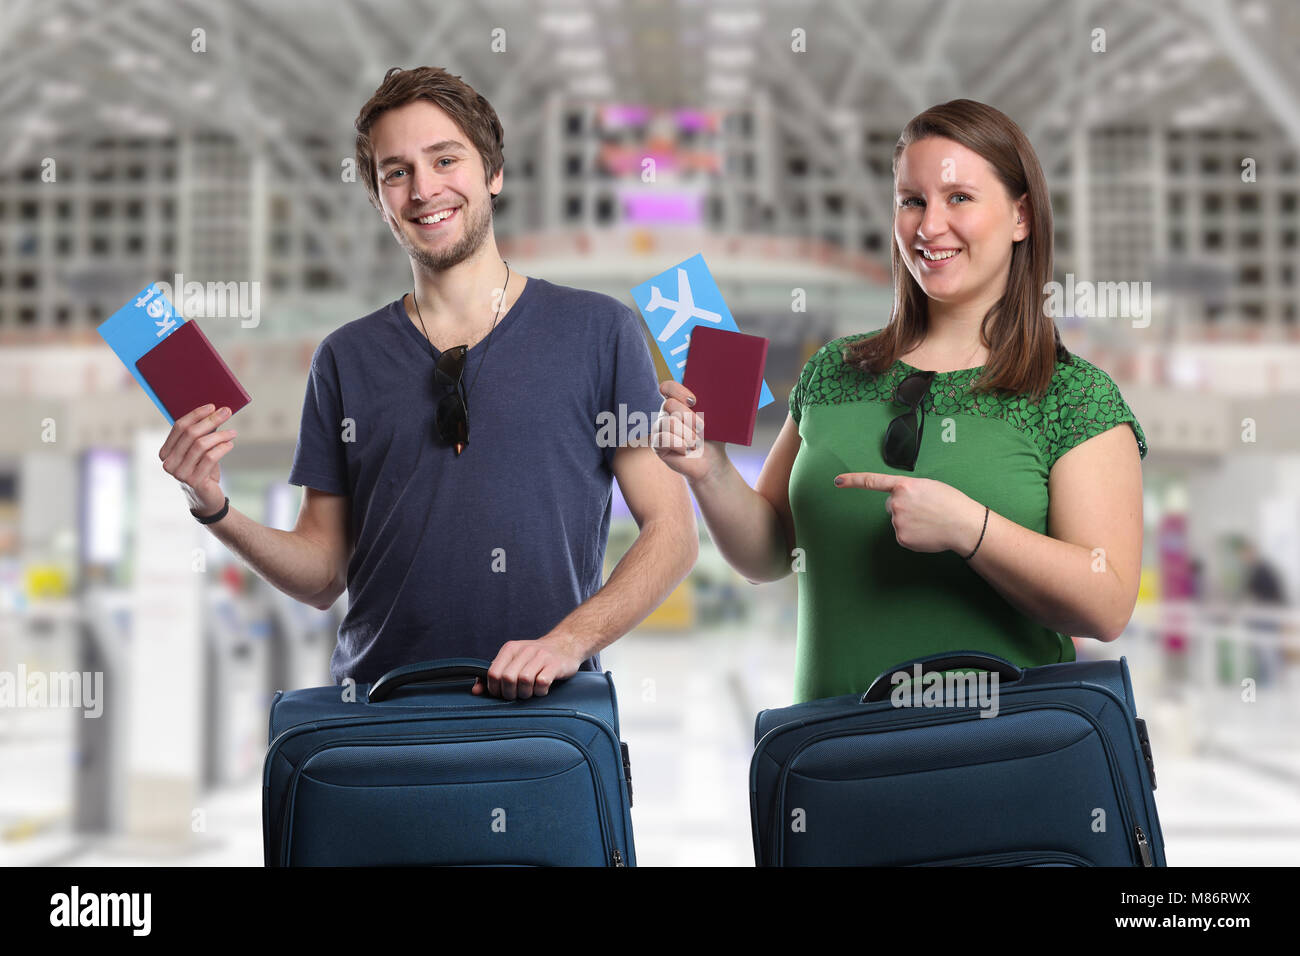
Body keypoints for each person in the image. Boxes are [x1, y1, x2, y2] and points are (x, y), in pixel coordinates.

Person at [159, 66, 697, 699]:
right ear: (379, 199)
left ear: (493, 173)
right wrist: (213, 507)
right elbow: (323, 572)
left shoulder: (599, 332)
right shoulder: (344, 358)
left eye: (446, 160)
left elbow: (673, 533)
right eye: (397, 172)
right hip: (382, 720)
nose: (423, 189)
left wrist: (568, 642)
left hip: (545, 719)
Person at [654, 99, 1148, 703]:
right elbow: (770, 554)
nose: (930, 226)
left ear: (1021, 216)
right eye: (912, 201)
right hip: (834, 764)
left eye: (959, 198)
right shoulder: (834, 371)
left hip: (1001, 766)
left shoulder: (1073, 396)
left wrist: (970, 529)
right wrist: (710, 471)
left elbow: (1108, 606)